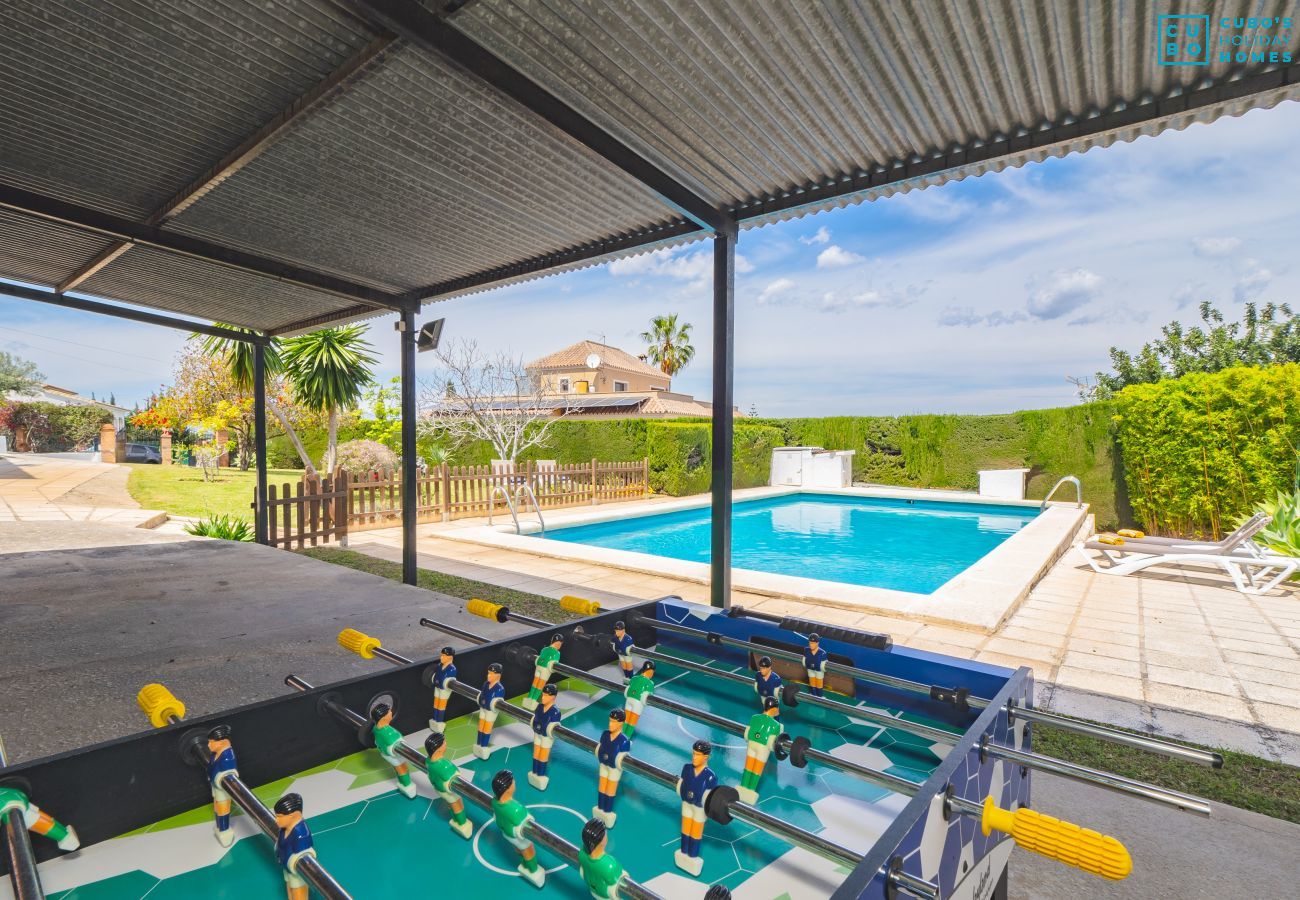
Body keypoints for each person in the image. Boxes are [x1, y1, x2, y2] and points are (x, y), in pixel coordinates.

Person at [491, 770, 545, 888]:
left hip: (506, 833)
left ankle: (524, 865)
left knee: (517, 849)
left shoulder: (494, 802)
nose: (515, 782)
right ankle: (532, 869)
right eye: (512, 782)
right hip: (518, 836)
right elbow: (528, 819)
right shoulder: (516, 809)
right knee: (528, 850)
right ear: (508, 788)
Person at [674, 739, 717, 876]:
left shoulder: (710, 776)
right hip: (687, 804)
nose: (694, 757)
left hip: (699, 808)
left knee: (696, 832)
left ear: (706, 757)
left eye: (697, 755)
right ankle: (683, 852)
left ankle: (692, 856)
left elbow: (710, 796)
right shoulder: (686, 769)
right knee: (685, 829)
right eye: (693, 753)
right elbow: (682, 784)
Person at [0, 783, 78, 853]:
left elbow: (12, 828)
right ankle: (65, 836)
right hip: (16, 799)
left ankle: (64, 836)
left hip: (13, 804)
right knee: (39, 818)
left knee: (37, 820)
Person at [423, 733, 472, 838]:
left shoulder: (428, 761)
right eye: (444, 743)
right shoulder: (444, 766)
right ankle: (462, 823)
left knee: (451, 805)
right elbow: (455, 773)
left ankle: (455, 819)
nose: (446, 744)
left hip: (438, 789)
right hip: (448, 791)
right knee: (457, 804)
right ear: (438, 749)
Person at [738, 697, 783, 804]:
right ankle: (750, 791)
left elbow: (749, 733)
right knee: (756, 771)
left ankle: (743, 787)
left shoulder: (754, 718)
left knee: (748, 768)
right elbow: (774, 742)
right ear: (773, 709)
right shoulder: (777, 725)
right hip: (763, 748)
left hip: (752, 745)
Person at [593, 708, 631, 827]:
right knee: (602, 786)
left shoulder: (624, 741)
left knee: (610, 789)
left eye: (614, 722)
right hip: (603, 764)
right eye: (610, 721)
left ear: (621, 723)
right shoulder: (605, 734)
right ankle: (600, 808)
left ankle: (607, 811)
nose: (610, 724)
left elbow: (622, 757)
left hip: (614, 769)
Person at [273, 793, 315, 900]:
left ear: (294, 815)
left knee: (298, 895)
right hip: (287, 870)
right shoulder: (284, 829)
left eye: (279, 817)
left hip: (298, 875)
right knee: (290, 893)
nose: (276, 820)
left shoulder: (302, 835)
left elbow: (302, 856)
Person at [370, 703, 416, 798]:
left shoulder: (377, 728)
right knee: (402, 769)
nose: (391, 713)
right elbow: (390, 743)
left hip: (387, 753)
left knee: (399, 769)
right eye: (389, 712)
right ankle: (406, 785)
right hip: (393, 755)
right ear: (383, 718)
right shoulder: (388, 733)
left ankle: (404, 783)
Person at [205, 724, 238, 846]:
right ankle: (220, 827)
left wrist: (219, 779)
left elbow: (230, 775)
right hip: (216, 788)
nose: (209, 745)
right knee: (217, 808)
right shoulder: (215, 754)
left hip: (223, 790)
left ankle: (224, 830)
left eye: (212, 742)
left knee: (223, 810)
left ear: (223, 742)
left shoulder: (227, 758)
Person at [578, 817, 626, 899]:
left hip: (594, 892)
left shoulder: (582, 854)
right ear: (602, 841)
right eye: (605, 835)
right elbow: (615, 879)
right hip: (605, 896)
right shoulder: (610, 865)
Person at [529, 684, 562, 790]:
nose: (543, 697)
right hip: (537, 733)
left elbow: (552, 726)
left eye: (546, 696)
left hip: (546, 737)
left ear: (553, 697)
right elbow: (536, 719)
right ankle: (534, 772)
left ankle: (540, 775)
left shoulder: (555, 711)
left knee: (543, 755)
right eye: (543, 695)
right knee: (536, 753)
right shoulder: (539, 707)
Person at [523, 634, 564, 711]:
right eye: (560, 644)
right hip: (545, 669)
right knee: (540, 685)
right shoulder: (557, 653)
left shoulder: (544, 649)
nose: (560, 646)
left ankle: (529, 698)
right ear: (558, 643)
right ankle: (534, 700)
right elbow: (555, 664)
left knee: (535, 683)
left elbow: (540, 658)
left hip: (538, 667)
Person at [475, 662, 505, 759]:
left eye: (492, 673)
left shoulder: (499, 689)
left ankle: (483, 746)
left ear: (498, 675)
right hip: (483, 708)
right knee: (480, 726)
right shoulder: (485, 684)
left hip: (490, 711)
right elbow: (482, 694)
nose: (489, 675)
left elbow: (497, 702)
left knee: (487, 728)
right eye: (488, 673)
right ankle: (478, 744)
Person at [623, 660, 655, 738]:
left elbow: (628, 689)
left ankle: (619, 736)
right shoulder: (650, 683)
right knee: (632, 722)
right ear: (650, 671)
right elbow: (648, 697)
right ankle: (626, 738)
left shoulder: (634, 678)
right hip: (638, 703)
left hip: (629, 700)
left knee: (625, 720)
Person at [428, 646, 457, 733]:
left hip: (444, 690)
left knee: (441, 706)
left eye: (444, 656)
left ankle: (439, 721)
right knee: (436, 704)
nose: (441, 658)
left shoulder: (452, 668)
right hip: (437, 687)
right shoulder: (440, 665)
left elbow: (445, 679)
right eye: (441, 655)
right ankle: (435, 720)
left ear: (450, 657)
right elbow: (438, 676)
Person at [754, 656, 782, 720]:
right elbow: (757, 686)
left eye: (763, 668)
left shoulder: (776, 679)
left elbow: (776, 693)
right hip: (763, 698)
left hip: (773, 701)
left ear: (769, 667)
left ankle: (777, 724)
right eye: (760, 668)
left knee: (773, 714)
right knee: (767, 713)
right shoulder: (758, 676)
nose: (761, 670)